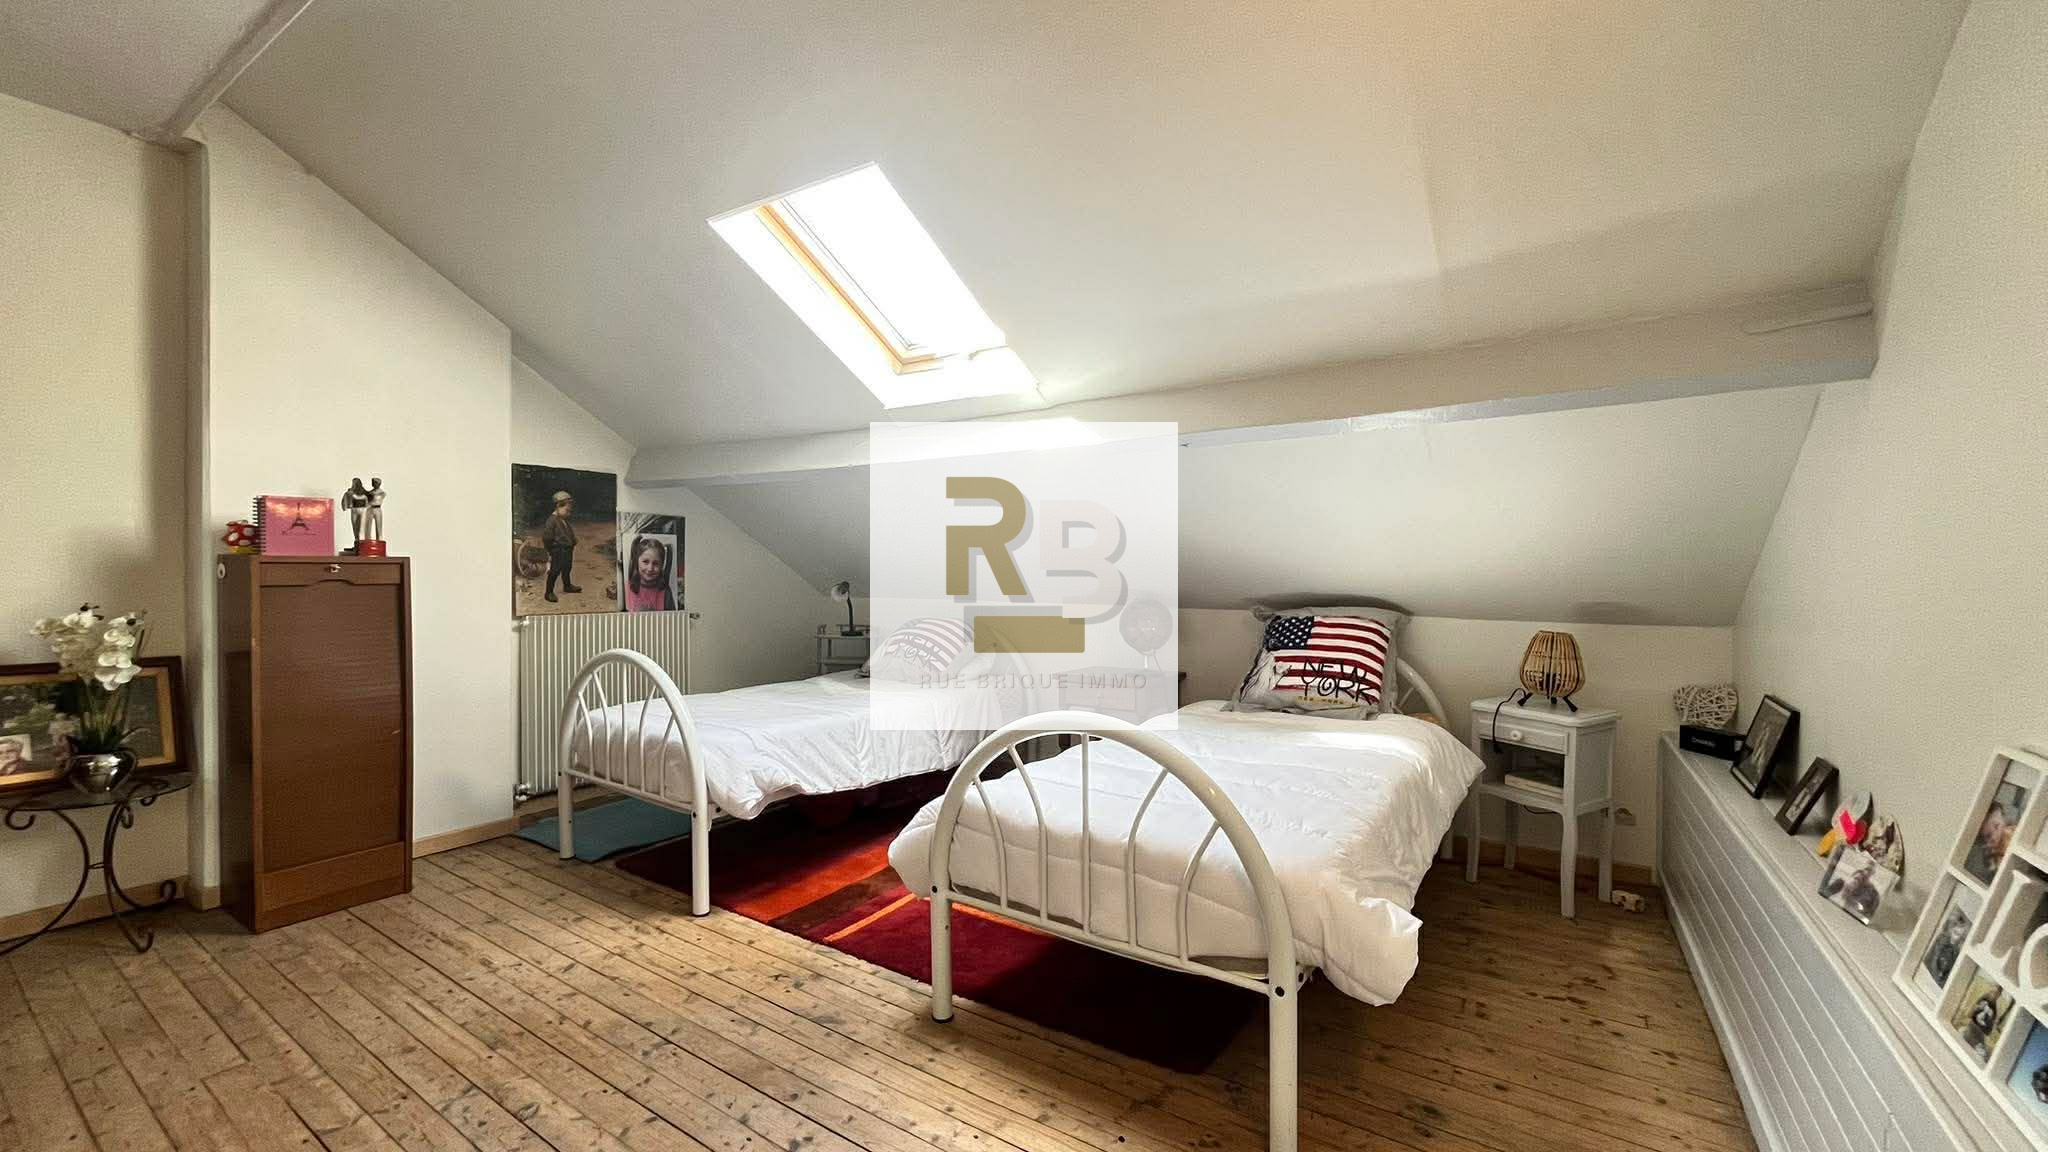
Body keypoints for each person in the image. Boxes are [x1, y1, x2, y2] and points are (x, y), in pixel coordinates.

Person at [542, 490, 583, 602]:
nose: (569, 513)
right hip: (558, 550)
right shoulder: (552, 521)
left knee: (567, 568)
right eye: (567, 510)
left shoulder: (562, 520)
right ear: (558, 506)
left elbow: (567, 532)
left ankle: (567, 585)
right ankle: (548, 592)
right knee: (555, 571)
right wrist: (551, 549)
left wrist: (573, 540)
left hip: (567, 549)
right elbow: (547, 537)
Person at [623, 535, 676, 612]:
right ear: (637, 562)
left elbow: (672, 618)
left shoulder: (666, 592)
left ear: (662, 566)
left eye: (656, 563)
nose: (650, 568)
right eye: (645, 562)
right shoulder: (626, 589)